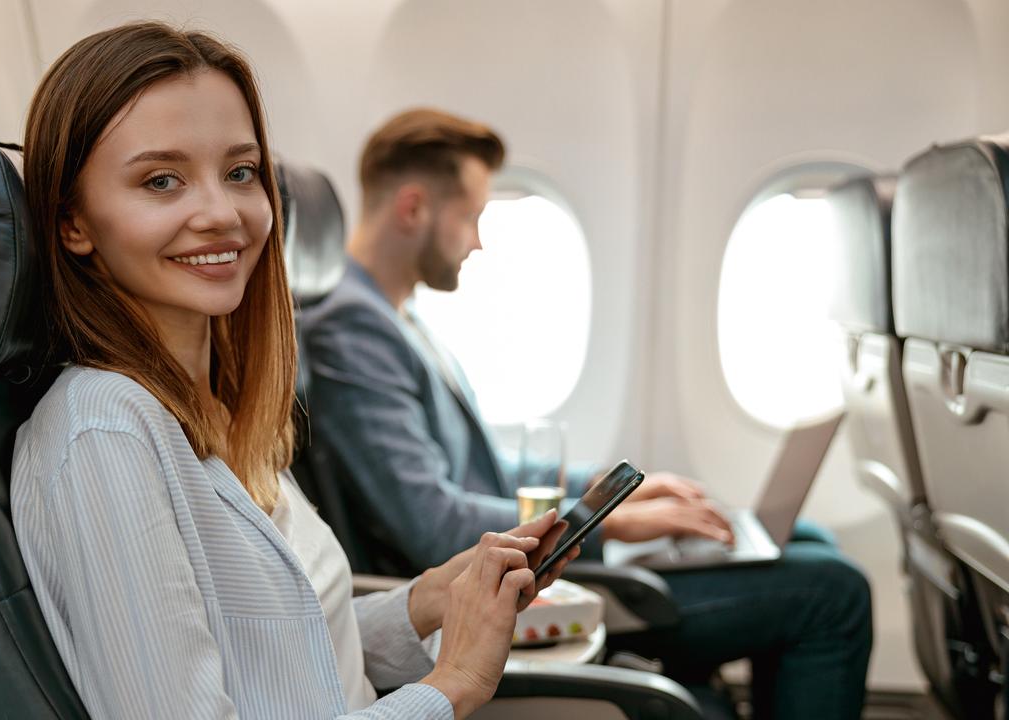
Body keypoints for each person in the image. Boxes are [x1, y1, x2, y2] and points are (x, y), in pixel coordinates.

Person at [11, 23, 580, 720]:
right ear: (73, 222)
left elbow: (285, 657)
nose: (222, 214)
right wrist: (453, 683)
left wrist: (425, 602)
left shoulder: (213, 410)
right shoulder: (105, 433)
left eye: (240, 172)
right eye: (162, 180)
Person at [301, 107, 873, 720]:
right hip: (483, 594)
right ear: (413, 208)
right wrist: (606, 525)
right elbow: (430, 522)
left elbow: (481, 466)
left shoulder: (398, 318)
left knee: (808, 540)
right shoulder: (350, 326)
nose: (477, 239)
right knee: (835, 592)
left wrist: (614, 490)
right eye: (470, 216)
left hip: (510, 559)